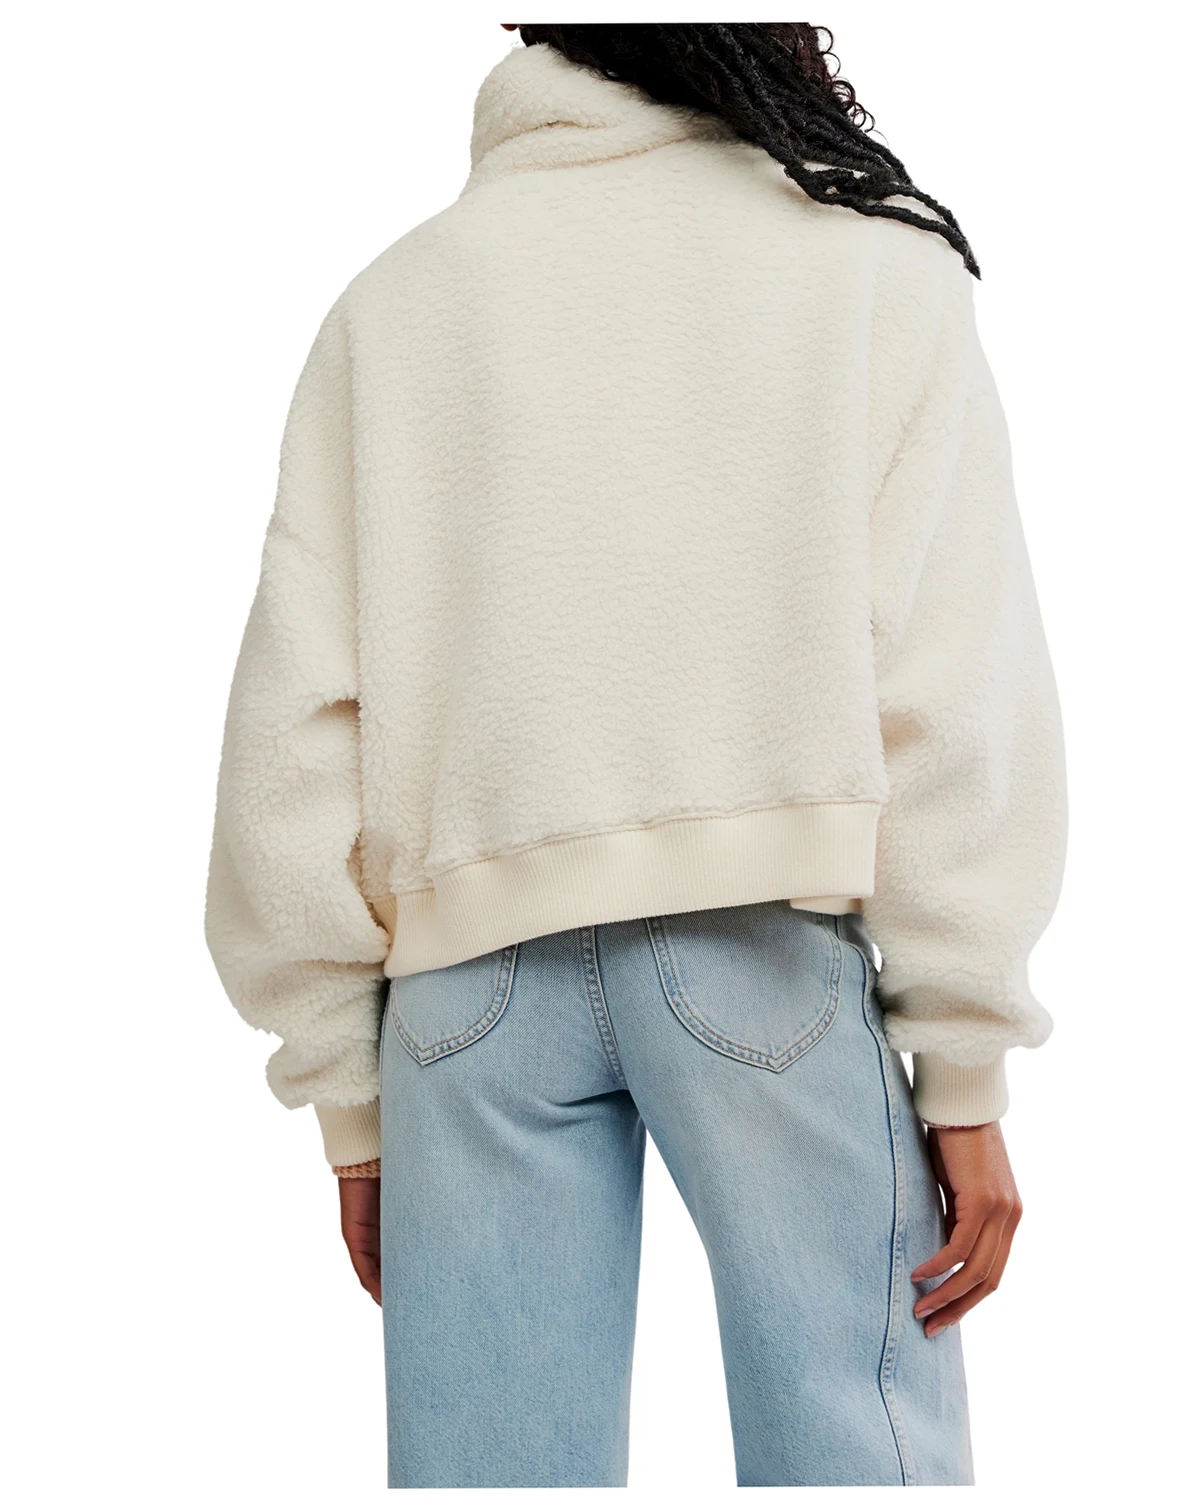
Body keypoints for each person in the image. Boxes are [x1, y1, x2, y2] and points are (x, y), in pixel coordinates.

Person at [205, 22, 1066, 1489]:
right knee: (858, 1451)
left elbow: (297, 720)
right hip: (765, 953)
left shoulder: (397, 302)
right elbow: (953, 692)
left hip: (464, 990)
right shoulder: (873, 267)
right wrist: (965, 1065)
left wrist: (345, 1091)